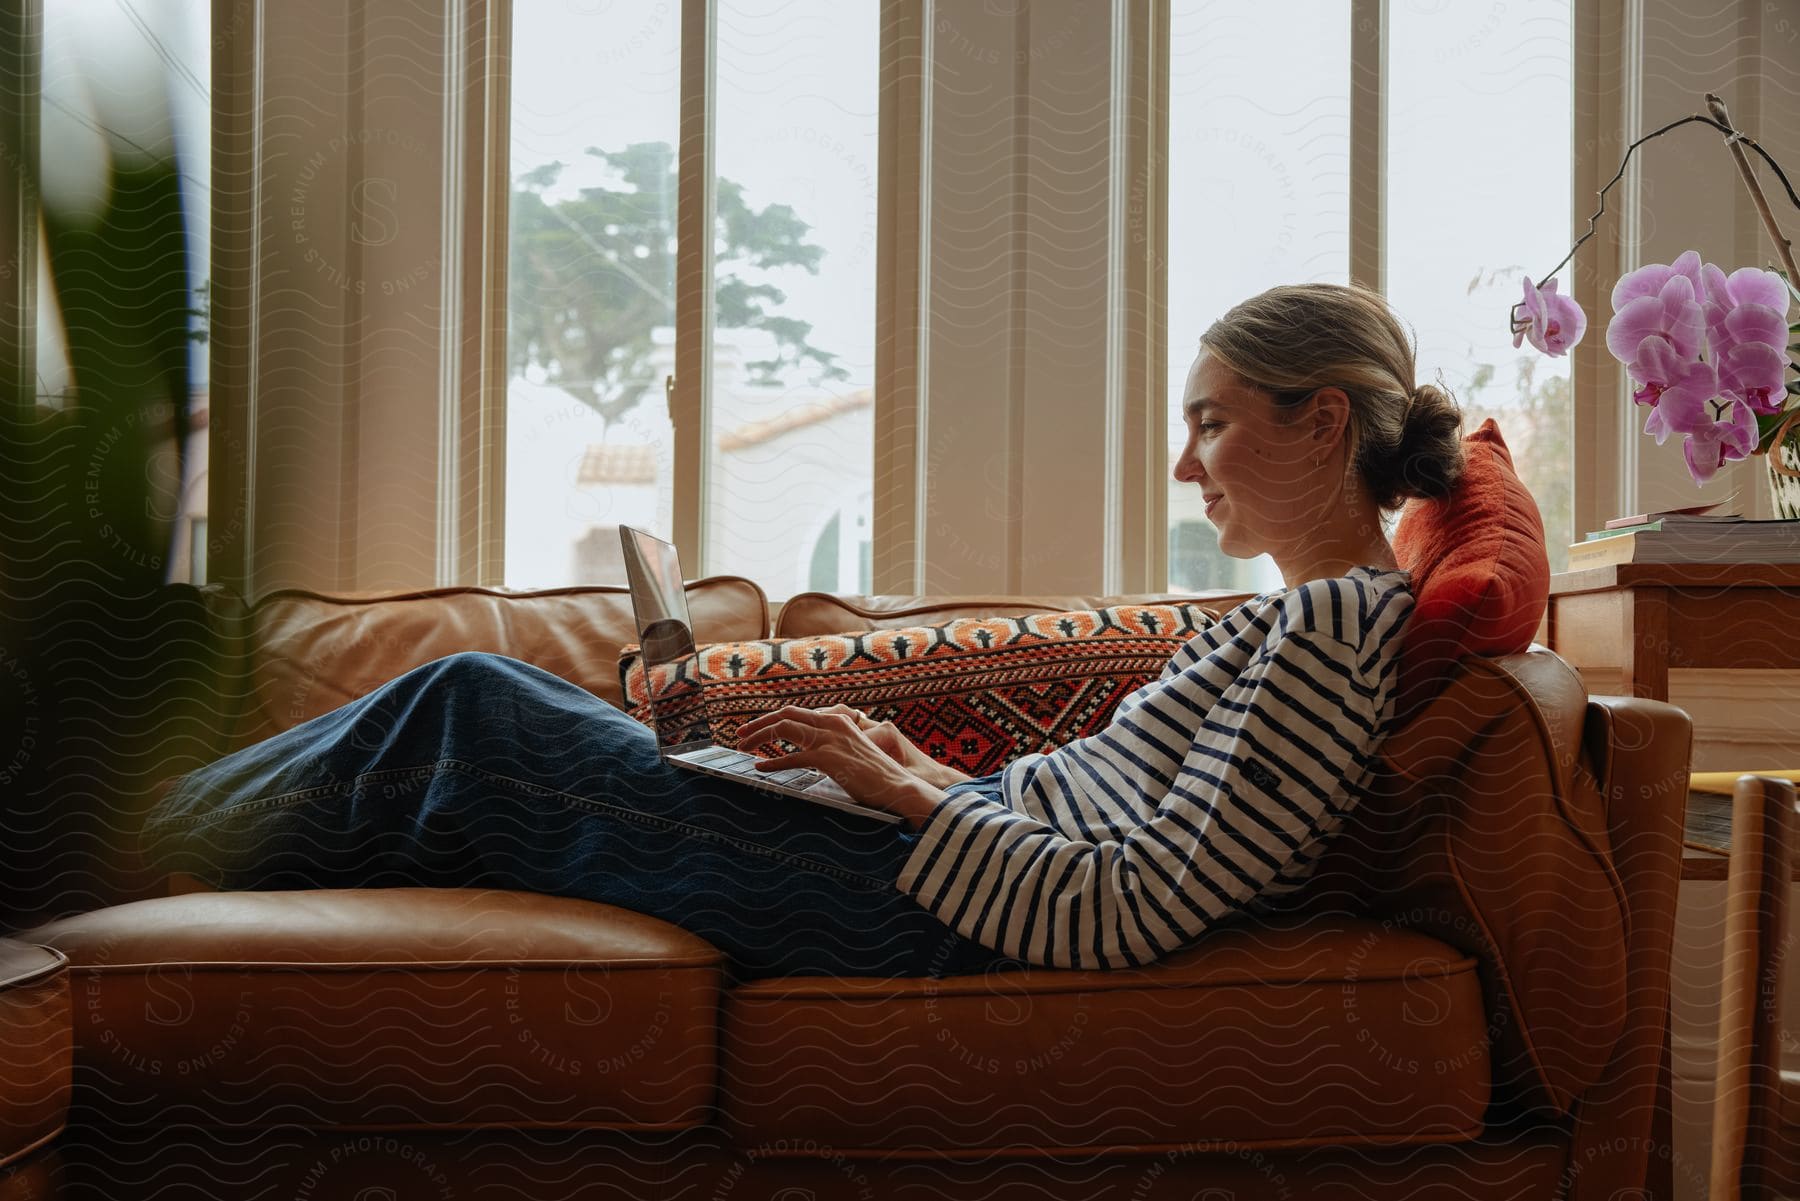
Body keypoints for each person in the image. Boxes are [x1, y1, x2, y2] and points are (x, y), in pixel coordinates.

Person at [141, 282, 1466, 983]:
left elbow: (1129, 907)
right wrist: (892, 772)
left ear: (1322, 423)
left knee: (473, 715)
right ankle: (142, 849)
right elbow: (1094, 830)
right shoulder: (1299, 617)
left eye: (1213, 420)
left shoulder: (1335, 631)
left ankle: (99, 845)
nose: (1188, 465)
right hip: (934, 858)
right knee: (489, 737)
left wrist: (895, 786)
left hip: (930, 917)